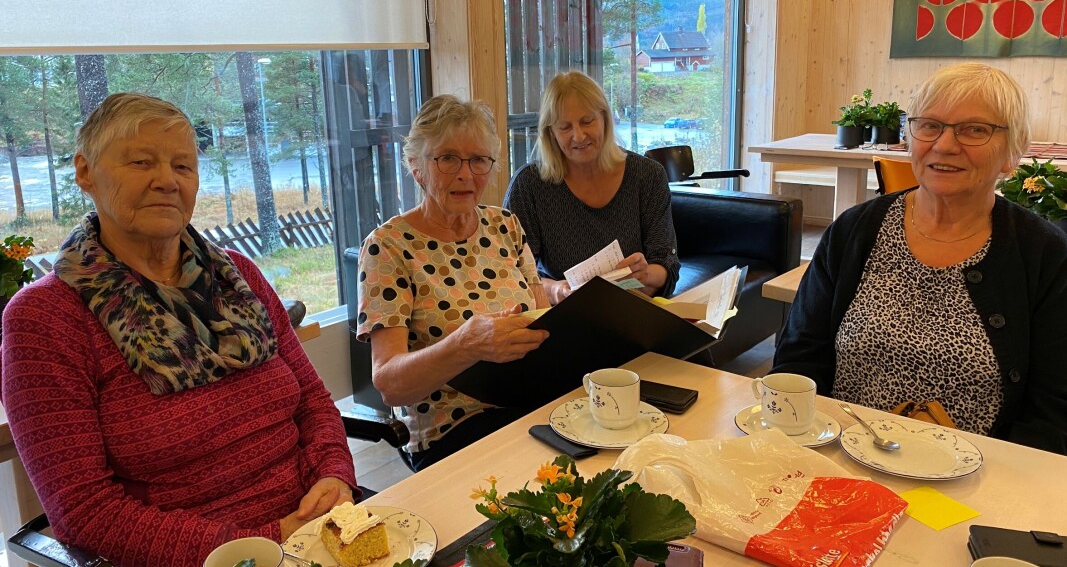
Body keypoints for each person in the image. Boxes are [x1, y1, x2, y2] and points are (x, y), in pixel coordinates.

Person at [0, 93, 358, 566]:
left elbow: (312, 400)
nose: (166, 181)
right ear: (85, 172)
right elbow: (83, 512)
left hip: (316, 535)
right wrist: (263, 540)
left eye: (183, 166)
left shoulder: (238, 276)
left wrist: (334, 476)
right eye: (141, 161)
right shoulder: (45, 318)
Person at [773, 63, 1067, 455]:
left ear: (1011, 153)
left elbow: (1053, 411)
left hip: (973, 487)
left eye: (975, 129)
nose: (944, 145)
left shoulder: (1043, 253)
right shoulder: (855, 231)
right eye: (929, 125)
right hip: (840, 466)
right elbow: (799, 358)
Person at [356, 94, 550, 471]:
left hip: (533, 403)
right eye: (447, 158)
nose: (466, 174)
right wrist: (464, 344)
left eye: (478, 160)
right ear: (416, 167)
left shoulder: (505, 225)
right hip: (453, 430)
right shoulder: (389, 247)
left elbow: (542, 319)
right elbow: (389, 383)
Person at [504, 71, 680, 304]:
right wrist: (559, 291)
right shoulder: (529, 185)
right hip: (564, 312)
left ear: (605, 119)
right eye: (565, 127)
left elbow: (666, 264)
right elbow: (512, 274)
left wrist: (645, 274)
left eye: (587, 121)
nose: (578, 136)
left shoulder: (647, 176)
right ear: (551, 133)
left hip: (634, 304)